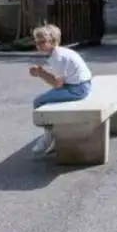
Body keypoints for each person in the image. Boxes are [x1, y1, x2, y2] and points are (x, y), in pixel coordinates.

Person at [29, 24, 93, 155]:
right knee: (46, 100)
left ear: (53, 41)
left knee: (38, 102)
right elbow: (60, 82)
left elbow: (58, 85)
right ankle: (53, 133)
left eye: (42, 42)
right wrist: (42, 72)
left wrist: (41, 73)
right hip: (80, 85)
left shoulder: (58, 57)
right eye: (37, 42)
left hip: (78, 89)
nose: (38, 45)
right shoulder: (60, 52)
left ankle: (49, 137)